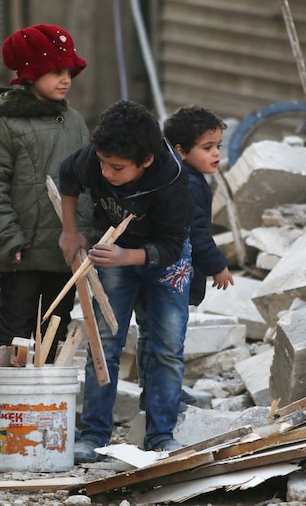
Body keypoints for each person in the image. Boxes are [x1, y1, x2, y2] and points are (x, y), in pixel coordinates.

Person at [58, 100, 192, 462]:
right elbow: (67, 176)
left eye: (116, 168)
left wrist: (127, 257)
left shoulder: (174, 179)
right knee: (104, 342)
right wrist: (70, 231)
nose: (105, 173)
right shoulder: (96, 161)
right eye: (102, 162)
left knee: (166, 346)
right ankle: (95, 434)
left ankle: (161, 435)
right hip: (114, 250)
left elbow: (171, 245)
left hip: (165, 258)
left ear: (145, 161)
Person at [0, 24, 93, 363]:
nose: (65, 79)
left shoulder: (74, 122)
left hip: (65, 251)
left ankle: (44, 410)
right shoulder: (5, 124)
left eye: (69, 71)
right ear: (30, 73)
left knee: (55, 333)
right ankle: (7, 410)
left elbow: (86, 185)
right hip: (21, 254)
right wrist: (9, 240)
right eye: (55, 71)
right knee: (15, 335)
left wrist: (90, 235)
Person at [134, 105, 235, 410]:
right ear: (180, 151)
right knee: (167, 338)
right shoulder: (189, 185)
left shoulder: (182, 178)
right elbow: (195, 233)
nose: (216, 154)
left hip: (155, 271)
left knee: (153, 334)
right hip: (171, 275)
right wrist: (217, 265)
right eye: (207, 148)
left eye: (218, 146)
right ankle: (165, 393)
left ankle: (159, 389)